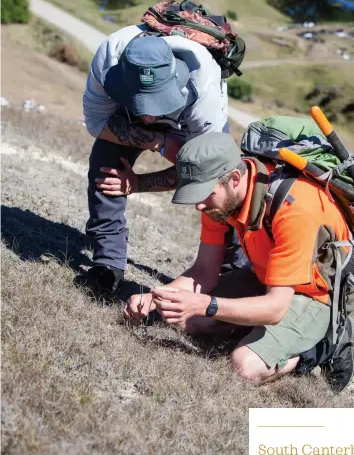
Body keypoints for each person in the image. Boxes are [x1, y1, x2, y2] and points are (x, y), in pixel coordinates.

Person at [125, 132, 354, 391]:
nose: (199, 206)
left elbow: (275, 308)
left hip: (316, 295)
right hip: (266, 278)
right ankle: (253, 331)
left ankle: (323, 345)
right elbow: (204, 271)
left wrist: (206, 305)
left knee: (245, 366)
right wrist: (158, 297)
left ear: (235, 179)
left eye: (205, 194)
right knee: (188, 321)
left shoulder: (296, 209)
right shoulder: (218, 199)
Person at [78, 24, 246, 295]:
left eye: (156, 105)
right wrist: (158, 141)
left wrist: (138, 183)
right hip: (125, 110)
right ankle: (107, 264)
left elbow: (206, 173)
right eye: (141, 105)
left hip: (189, 122)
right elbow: (97, 123)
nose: (149, 118)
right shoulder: (108, 58)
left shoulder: (204, 89)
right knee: (105, 167)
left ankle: (234, 275)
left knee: (222, 193)